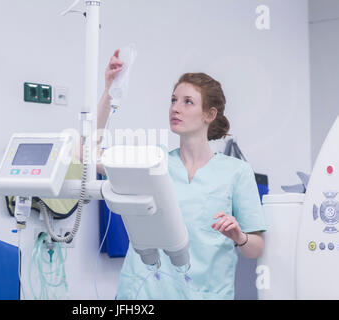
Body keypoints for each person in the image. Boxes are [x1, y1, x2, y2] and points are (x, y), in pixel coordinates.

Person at [96, 49, 267, 300]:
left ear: (209, 115)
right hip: (144, 295)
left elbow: (256, 249)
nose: (175, 108)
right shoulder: (153, 160)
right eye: (173, 100)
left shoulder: (236, 172)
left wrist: (239, 236)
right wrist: (110, 90)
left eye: (187, 102)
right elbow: (89, 154)